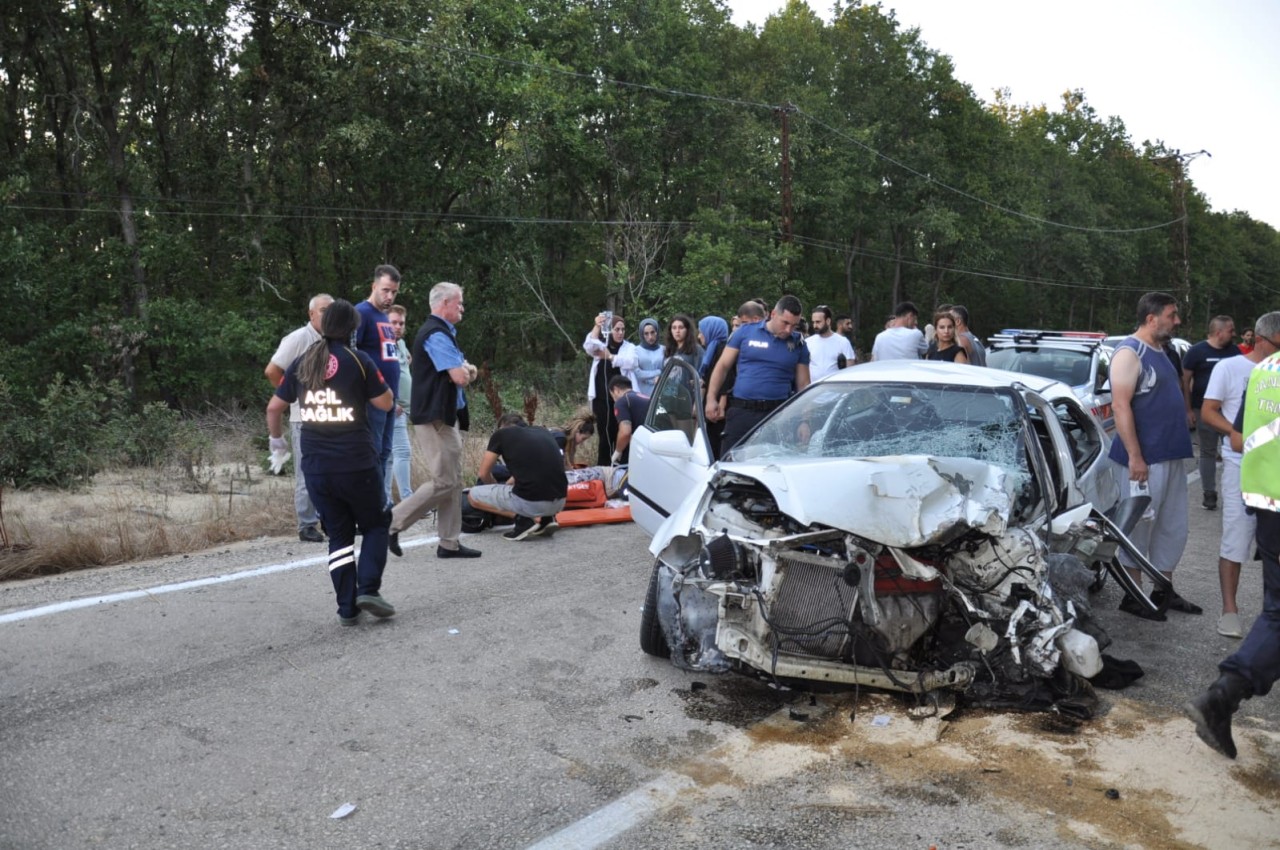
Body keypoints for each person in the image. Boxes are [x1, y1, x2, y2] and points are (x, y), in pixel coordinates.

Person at [266, 299, 395, 626]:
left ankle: (346, 607)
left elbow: (273, 408)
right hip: (356, 462)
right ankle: (368, 589)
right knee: (377, 523)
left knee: (339, 536)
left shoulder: (303, 361)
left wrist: (277, 442)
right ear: (352, 329)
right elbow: (385, 402)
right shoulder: (359, 359)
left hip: (317, 466)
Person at [1185, 327, 1280, 759]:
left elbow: (1245, 435)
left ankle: (1224, 696)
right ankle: (1223, 695)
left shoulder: (1266, 372)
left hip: (1266, 502)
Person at [1109, 291, 1198, 620]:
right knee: (1139, 527)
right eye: (1172, 315)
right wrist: (1135, 457)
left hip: (1170, 455)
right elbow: (1120, 406)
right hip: (1144, 461)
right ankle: (1133, 596)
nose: (1177, 321)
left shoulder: (1163, 350)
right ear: (1151, 318)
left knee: (1172, 525)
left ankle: (1163, 590)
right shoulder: (1129, 353)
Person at [388, 282, 481, 560]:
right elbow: (461, 376)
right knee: (444, 481)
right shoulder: (436, 334)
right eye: (459, 303)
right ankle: (391, 522)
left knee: (453, 480)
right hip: (435, 418)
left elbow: (463, 371)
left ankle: (449, 543)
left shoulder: (442, 333)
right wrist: (466, 369)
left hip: (443, 416)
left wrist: (465, 369)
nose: (462, 308)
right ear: (444, 304)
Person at [1200, 313, 1280, 637]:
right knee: (1237, 538)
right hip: (1239, 464)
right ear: (1262, 340)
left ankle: (1270, 614)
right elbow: (1207, 411)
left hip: (1271, 470)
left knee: (1271, 547)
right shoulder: (1230, 368)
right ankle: (1229, 611)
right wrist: (1243, 433)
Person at [264, 293, 333, 543]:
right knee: (308, 472)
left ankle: (330, 519)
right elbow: (272, 370)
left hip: (331, 414)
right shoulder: (298, 338)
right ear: (311, 314)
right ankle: (306, 524)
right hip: (304, 417)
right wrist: (290, 395)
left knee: (331, 471)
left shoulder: (335, 340)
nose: (328, 315)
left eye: (332, 310)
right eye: (324, 310)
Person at [705, 295, 810, 457]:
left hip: (777, 415)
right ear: (773, 314)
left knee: (772, 466)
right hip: (742, 412)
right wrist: (711, 399)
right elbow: (722, 366)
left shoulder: (799, 344)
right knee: (730, 462)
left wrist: (804, 421)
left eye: (794, 325)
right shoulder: (746, 332)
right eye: (785, 323)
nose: (789, 330)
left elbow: (804, 385)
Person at [469, 413, 569, 541]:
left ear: (502, 427)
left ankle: (524, 520)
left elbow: (483, 474)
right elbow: (533, 468)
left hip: (532, 503)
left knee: (473, 495)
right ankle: (546, 519)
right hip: (560, 502)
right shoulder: (542, 431)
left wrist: (494, 486)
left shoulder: (502, 434)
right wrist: (508, 484)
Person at [353, 264, 402, 504]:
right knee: (371, 454)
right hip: (372, 399)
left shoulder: (384, 317)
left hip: (389, 399)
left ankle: (379, 503)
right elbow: (351, 355)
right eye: (385, 290)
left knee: (384, 453)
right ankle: (367, 506)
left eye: (394, 292)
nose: (389, 296)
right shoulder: (360, 313)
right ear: (373, 286)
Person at [1182, 315, 1241, 510]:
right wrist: (1188, 409)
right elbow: (1185, 381)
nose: (1234, 334)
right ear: (1219, 332)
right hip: (1203, 409)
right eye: (1230, 330)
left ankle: (1234, 492)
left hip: (1230, 412)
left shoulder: (1234, 352)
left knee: (1233, 449)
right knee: (1208, 451)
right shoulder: (1197, 351)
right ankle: (1209, 492)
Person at [584, 313, 639, 466]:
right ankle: (604, 469)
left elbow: (631, 362)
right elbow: (588, 346)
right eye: (617, 329)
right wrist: (597, 325)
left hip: (623, 400)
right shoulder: (601, 344)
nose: (620, 333)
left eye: (622, 329)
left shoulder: (629, 347)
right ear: (610, 330)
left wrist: (610, 357)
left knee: (622, 433)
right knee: (605, 435)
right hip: (601, 400)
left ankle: (623, 468)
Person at [385, 304, 414, 504]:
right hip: (393, 407)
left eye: (401, 323)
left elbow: (406, 362)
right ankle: (407, 499)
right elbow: (379, 373)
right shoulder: (382, 345)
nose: (397, 326)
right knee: (401, 451)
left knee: (390, 455)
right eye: (393, 322)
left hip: (405, 407)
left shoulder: (400, 344)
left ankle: (386, 501)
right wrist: (391, 400)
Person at [608, 374, 652, 465]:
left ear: (616, 390)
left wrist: (618, 451)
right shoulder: (646, 398)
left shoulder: (622, 401)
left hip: (640, 449)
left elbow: (625, 432)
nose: (614, 399)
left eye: (612, 396)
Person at [805, 304, 856, 381]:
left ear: (828, 321)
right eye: (813, 322)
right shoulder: (808, 342)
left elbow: (850, 369)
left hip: (836, 390)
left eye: (818, 322)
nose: (815, 325)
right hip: (814, 390)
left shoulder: (843, 342)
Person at [633, 318, 664, 396]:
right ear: (642, 334)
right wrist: (658, 372)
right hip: (642, 393)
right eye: (646, 333)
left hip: (661, 392)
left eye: (652, 332)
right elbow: (637, 374)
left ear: (657, 332)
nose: (650, 337)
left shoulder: (664, 350)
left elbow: (668, 371)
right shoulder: (635, 351)